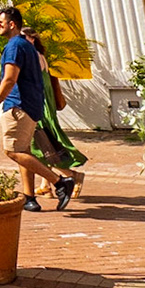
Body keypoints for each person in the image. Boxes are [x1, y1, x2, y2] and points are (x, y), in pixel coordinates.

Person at [0, 7, 73, 211]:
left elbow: (9, 79)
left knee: (11, 151)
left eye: (1, 21)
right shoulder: (26, 46)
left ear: (12, 24)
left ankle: (60, 182)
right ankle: (29, 197)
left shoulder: (14, 46)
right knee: (24, 151)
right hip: (31, 106)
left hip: (18, 106)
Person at [23, 29, 87, 193]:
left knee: (40, 146)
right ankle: (46, 185)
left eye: (24, 37)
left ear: (32, 39)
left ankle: (72, 175)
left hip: (39, 107)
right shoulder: (39, 55)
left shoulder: (34, 56)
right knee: (46, 143)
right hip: (44, 105)